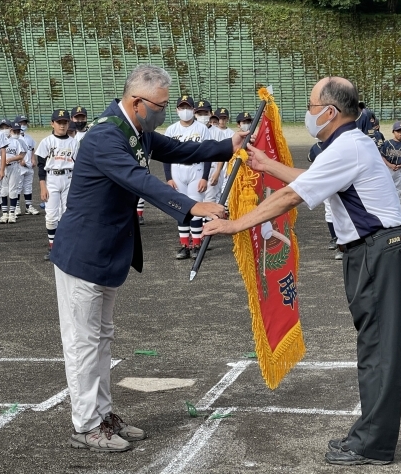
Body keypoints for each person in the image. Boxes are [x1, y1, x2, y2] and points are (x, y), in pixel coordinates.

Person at [204, 76, 401, 466]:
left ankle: (374, 444)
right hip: (374, 254)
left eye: (311, 106)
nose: (308, 114)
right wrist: (268, 164)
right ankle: (371, 437)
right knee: (374, 348)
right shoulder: (347, 145)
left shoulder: (349, 146)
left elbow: (290, 197)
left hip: (381, 254)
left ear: (330, 112)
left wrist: (236, 224)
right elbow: (314, 183)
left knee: (382, 351)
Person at [50, 65, 245, 454]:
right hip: (83, 253)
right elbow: (141, 181)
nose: (164, 112)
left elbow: (182, 149)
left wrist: (230, 145)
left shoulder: (135, 130)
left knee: (100, 339)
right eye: (160, 106)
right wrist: (192, 206)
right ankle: (86, 424)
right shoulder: (107, 135)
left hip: (106, 251)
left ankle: (102, 414)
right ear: (137, 102)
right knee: (82, 342)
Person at [163, 95, 211, 259]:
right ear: (177, 110)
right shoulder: (171, 129)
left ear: (193, 110)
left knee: (196, 208)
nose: (185, 111)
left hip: (196, 169)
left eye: (188, 107)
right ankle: (185, 245)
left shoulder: (202, 129)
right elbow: (166, 155)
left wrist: (205, 176)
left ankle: (196, 245)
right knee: (180, 208)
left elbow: (208, 154)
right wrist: (169, 177)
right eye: (182, 107)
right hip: (177, 170)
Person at [35, 109, 79, 260]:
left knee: (67, 214)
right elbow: (41, 166)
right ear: (52, 123)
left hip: (69, 178)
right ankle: (53, 247)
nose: (62, 125)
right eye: (59, 122)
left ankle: (66, 246)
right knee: (51, 215)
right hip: (51, 179)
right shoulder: (46, 142)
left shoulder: (74, 143)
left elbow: (79, 166)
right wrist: (42, 186)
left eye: (65, 122)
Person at [379, 121, 401, 199]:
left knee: (398, 190)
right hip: (387, 169)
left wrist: (400, 166)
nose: (400, 134)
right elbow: (382, 156)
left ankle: (397, 209)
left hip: (400, 170)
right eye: (398, 131)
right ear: (393, 132)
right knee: (385, 189)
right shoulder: (387, 143)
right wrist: (389, 164)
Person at [0, 121, 27, 224]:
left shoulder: (15, 142)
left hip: (14, 167)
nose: (4, 130)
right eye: (2, 128)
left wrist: (10, 159)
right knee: (3, 191)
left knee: (13, 190)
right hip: (2, 168)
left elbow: (21, 155)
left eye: (6, 127)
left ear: (10, 129)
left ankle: (12, 213)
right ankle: (4, 213)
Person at [14, 114, 39, 215]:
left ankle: (29, 206)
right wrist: (20, 160)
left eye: (24, 123)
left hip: (29, 166)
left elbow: (32, 149)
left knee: (28, 186)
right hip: (19, 166)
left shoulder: (29, 137)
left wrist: (33, 159)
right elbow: (12, 150)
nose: (23, 125)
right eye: (21, 123)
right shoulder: (14, 137)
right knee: (18, 187)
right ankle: (16, 207)